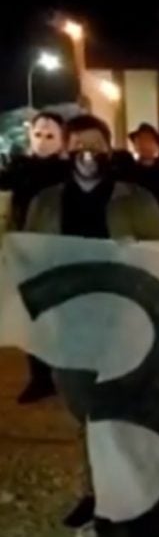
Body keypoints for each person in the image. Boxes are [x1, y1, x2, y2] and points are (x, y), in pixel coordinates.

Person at [23, 114, 159, 530]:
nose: (88, 154)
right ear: (67, 149)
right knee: (84, 412)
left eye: (97, 145)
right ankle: (95, 491)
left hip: (125, 318)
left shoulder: (136, 199)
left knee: (128, 406)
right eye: (80, 145)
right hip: (70, 320)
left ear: (109, 149)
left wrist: (136, 252)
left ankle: (143, 487)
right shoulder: (46, 201)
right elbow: (29, 256)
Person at [0, 112, 71, 403]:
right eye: (38, 135)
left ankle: (68, 375)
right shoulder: (20, 167)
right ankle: (40, 378)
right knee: (32, 314)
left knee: (64, 316)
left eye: (50, 136)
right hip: (26, 248)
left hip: (60, 248)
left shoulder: (68, 170)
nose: (42, 142)